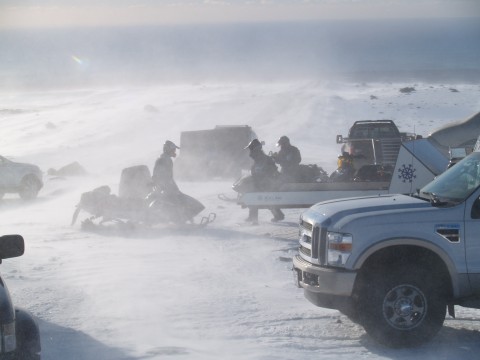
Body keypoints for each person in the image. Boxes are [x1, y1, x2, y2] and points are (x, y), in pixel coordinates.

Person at [151, 140, 205, 223]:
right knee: (179, 201)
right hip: (164, 188)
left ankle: (180, 220)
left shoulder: (162, 158)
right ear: (168, 150)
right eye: (173, 150)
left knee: (178, 200)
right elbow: (165, 177)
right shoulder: (166, 159)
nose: (174, 152)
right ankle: (179, 221)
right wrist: (171, 188)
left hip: (162, 187)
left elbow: (160, 175)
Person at [244, 139, 285, 223]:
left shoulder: (261, 157)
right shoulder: (258, 157)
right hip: (262, 182)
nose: (250, 152)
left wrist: (261, 180)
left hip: (266, 183)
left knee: (259, 199)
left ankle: (254, 219)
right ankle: (278, 215)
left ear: (254, 149)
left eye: (250, 149)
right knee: (261, 199)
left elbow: (269, 171)